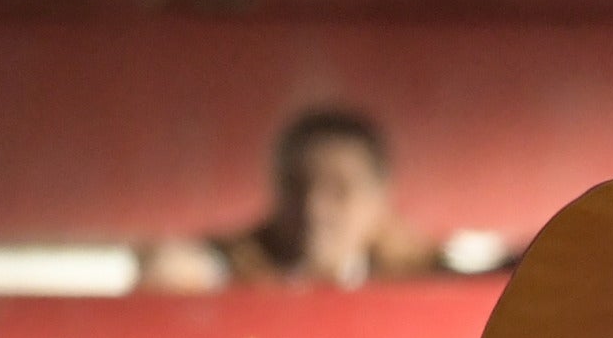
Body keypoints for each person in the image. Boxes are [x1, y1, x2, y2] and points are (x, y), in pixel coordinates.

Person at [139, 106, 450, 294]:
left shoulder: (421, 275)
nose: (314, 208)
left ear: (380, 195)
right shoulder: (234, 268)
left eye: (339, 189)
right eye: (296, 186)